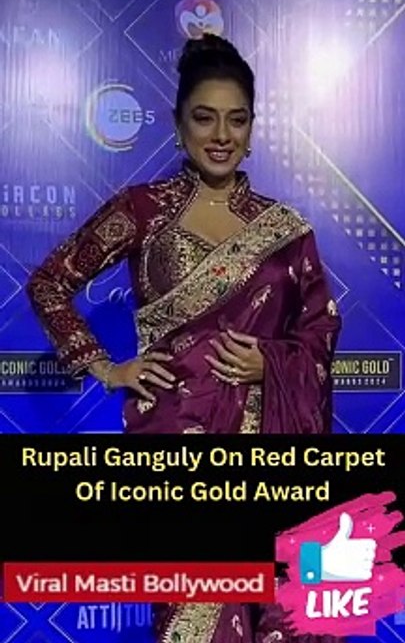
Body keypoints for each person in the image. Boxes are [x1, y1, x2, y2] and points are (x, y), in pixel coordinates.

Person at [26, 33, 342, 642]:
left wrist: (272, 365)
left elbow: (320, 326)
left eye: (237, 119)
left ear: (252, 129)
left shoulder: (286, 229)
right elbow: (49, 283)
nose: (221, 135)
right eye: (204, 117)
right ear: (178, 125)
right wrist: (105, 367)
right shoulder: (142, 210)